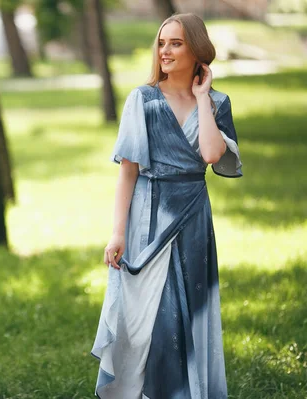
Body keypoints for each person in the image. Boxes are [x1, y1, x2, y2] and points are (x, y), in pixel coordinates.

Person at [90, 13, 242, 399]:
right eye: (162, 43)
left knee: (189, 313)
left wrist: (203, 98)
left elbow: (210, 154)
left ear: (197, 50)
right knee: (150, 318)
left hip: (193, 216)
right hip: (148, 214)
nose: (165, 51)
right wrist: (118, 233)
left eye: (175, 43)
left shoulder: (218, 102)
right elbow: (128, 173)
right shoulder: (143, 100)